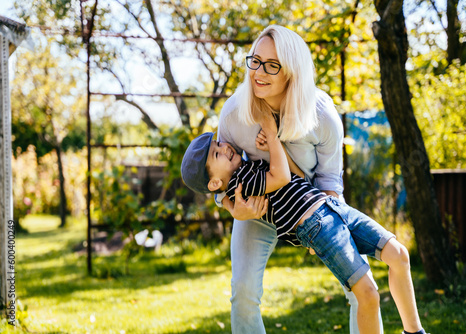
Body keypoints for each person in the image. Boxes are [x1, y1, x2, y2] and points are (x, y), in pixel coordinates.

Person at [198, 24, 383, 333]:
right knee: (243, 292)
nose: (259, 72)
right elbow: (219, 174)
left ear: (292, 71)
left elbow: (330, 182)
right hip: (257, 209)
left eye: (272, 65)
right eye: (255, 61)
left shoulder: (321, 115)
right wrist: (233, 208)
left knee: (362, 288)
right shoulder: (233, 113)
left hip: (310, 208)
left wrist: (323, 224)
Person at [181, 105, 428, 334]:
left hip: (329, 205)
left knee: (399, 255)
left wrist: (270, 149)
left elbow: (295, 177)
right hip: (316, 224)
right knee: (368, 294)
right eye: (216, 153)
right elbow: (281, 178)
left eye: (218, 144)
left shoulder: (246, 167)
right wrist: (271, 132)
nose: (225, 147)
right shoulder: (241, 185)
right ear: (214, 183)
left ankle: (414, 331)